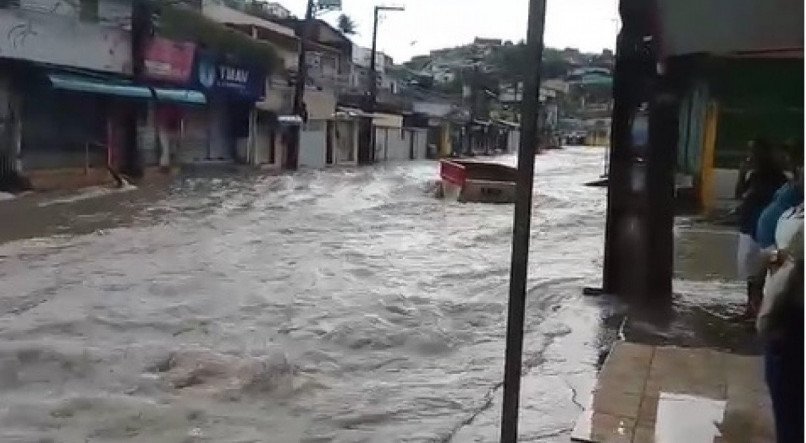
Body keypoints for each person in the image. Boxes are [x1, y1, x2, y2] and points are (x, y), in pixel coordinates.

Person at [756, 164, 803, 443]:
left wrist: (777, 258)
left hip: (792, 316)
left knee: (788, 400)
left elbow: (791, 262)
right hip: (788, 314)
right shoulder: (794, 208)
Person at [734, 139, 788, 319]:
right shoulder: (753, 175)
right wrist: (742, 174)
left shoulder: (777, 178)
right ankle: (752, 308)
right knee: (751, 274)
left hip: (764, 233)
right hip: (749, 228)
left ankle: (760, 310)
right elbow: (739, 194)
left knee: (762, 274)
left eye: (752, 152)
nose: (749, 156)